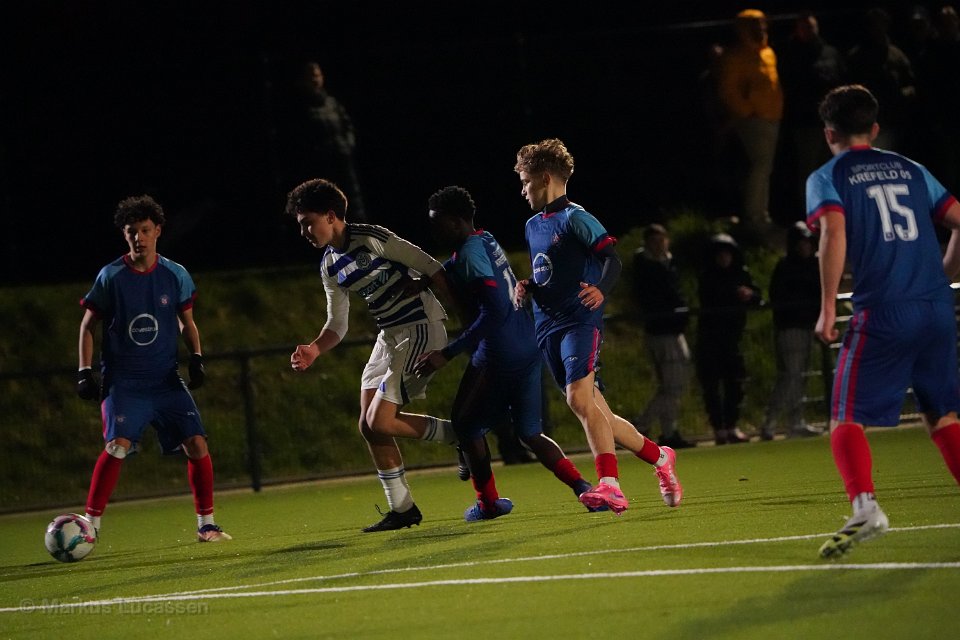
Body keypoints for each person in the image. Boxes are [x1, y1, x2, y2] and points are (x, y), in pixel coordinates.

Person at [809, 84, 960, 558]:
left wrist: (828, 306)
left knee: (845, 415)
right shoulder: (912, 168)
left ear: (829, 133)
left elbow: (834, 232)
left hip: (884, 310)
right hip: (936, 307)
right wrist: (943, 275)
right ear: (874, 129)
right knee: (941, 415)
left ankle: (866, 508)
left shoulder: (828, 175)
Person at [513, 138, 683, 514]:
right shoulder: (532, 225)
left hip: (579, 321)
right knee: (598, 413)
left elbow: (612, 260)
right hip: (547, 326)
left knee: (578, 400)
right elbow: (549, 272)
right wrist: (528, 286)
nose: (523, 191)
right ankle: (661, 458)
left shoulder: (577, 217)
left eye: (525, 182)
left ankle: (610, 486)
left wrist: (601, 289)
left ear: (545, 178)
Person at [414, 186, 599, 521]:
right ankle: (584, 488)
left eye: (437, 223)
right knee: (530, 433)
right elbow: (460, 264)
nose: (434, 230)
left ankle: (488, 503)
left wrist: (448, 353)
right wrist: (430, 278)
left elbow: (494, 311)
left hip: (498, 354)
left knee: (465, 425)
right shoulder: (484, 239)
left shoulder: (470, 253)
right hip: (527, 345)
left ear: (455, 222)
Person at [286, 178, 458, 532]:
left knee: (379, 420)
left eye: (307, 223)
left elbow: (430, 266)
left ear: (330, 215)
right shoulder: (329, 265)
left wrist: (465, 318)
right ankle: (402, 508)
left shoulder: (371, 237)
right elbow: (338, 323)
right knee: (368, 425)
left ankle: (462, 434)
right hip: (390, 336)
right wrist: (315, 348)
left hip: (421, 326)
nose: (303, 232)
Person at [77, 195, 230, 543]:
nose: (139, 238)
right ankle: (90, 525)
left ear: (158, 231)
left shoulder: (175, 274)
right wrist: (84, 371)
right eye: (132, 231)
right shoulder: (111, 276)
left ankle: (207, 524)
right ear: (124, 234)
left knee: (197, 443)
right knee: (117, 445)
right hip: (125, 383)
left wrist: (197, 357)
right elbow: (87, 325)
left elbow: (186, 321)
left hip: (165, 380)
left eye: (145, 230)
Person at [717, 8, 784, 239]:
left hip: (771, 117)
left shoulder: (768, 53)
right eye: (755, 24)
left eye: (762, 24)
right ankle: (754, 217)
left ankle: (761, 215)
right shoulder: (735, 56)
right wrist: (748, 111)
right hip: (753, 120)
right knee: (760, 165)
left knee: (764, 167)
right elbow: (728, 90)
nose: (761, 28)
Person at [631, 224, 695, 449]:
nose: (660, 245)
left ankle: (669, 430)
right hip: (662, 331)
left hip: (673, 329)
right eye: (655, 241)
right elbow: (656, 297)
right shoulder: (647, 266)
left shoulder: (668, 262)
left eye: (662, 240)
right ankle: (641, 424)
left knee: (673, 385)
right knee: (672, 385)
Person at [695, 233, 762, 445]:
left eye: (727, 254)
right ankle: (719, 428)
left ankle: (732, 425)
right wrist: (736, 293)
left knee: (736, 384)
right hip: (710, 339)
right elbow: (711, 296)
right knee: (712, 386)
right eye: (720, 255)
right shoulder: (707, 276)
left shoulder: (742, 274)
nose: (724, 258)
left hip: (734, 339)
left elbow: (758, 297)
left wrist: (749, 295)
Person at [278, 61, 366, 221]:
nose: (315, 79)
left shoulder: (331, 102)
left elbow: (347, 125)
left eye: (317, 75)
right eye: (311, 76)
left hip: (343, 161)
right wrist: (318, 152)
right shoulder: (299, 108)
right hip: (322, 166)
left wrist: (347, 145)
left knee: (353, 203)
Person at [760, 221, 824, 440]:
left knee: (800, 377)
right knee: (790, 377)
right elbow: (778, 296)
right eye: (801, 243)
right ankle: (770, 423)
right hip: (791, 328)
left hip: (808, 327)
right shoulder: (786, 266)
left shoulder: (814, 265)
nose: (805, 247)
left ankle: (795, 422)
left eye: (808, 242)